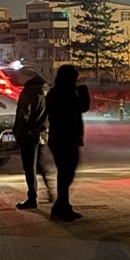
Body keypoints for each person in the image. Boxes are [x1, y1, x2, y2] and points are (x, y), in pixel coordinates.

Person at [45, 64, 89, 221]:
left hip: (67, 138)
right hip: (63, 139)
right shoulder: (61, 93)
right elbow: (81, 107)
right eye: (74, 79)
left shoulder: (60, 92)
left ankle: (62, 206)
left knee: (67, 173)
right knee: (65, 173)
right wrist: (83, 92)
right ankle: (61, 207)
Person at [13, 69, 52, 209]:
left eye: (19, 76)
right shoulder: (46, 90)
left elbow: (24, 113)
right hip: (41, 133)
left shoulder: (29, 92)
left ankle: (32, 198)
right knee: (38, 164)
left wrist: (18, 131)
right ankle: (49, 190)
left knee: (29, 166)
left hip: (28, 134)